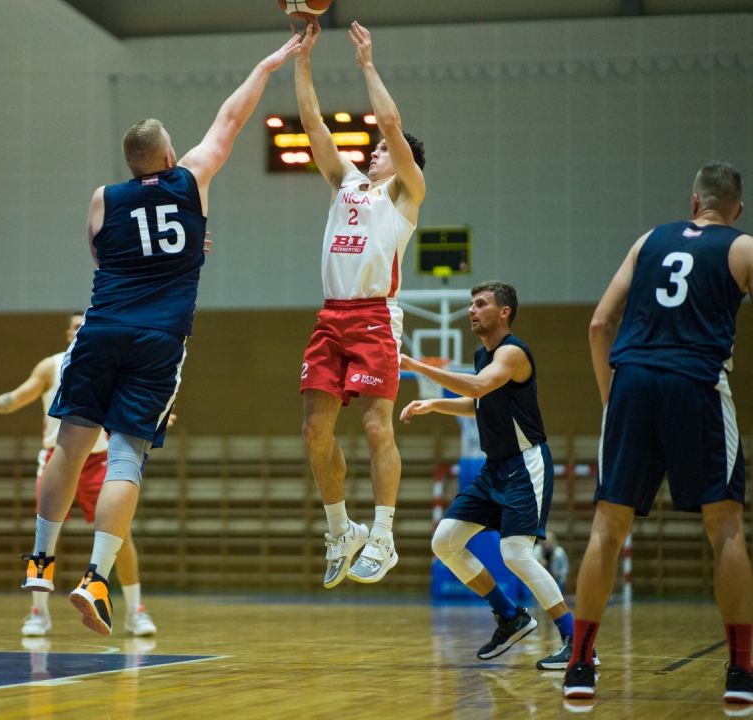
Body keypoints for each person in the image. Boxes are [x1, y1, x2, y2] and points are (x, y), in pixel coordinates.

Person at [21, 33, 302, 636]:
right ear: (170, 153)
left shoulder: (103, 198)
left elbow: (101, 260)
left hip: (101, 330)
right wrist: (267, 63)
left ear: (131, 164)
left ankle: (40, 561)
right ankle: (96, 578)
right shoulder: (192, 178)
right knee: (125, 456)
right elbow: (232, 117)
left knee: (69, 444)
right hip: (158, 338)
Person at [563, 162, 753, 703]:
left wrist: (611, 398)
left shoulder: (649, 240)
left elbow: (599, 324)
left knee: (608, 526)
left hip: (632, 382)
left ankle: (580, 666)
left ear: (694, 202)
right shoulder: (743, 247)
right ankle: (741, 674)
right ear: (736, 209)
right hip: (696, 382)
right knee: (726, 527)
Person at [400, 282, 595, 670]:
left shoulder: (513, 353)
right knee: (445, 541)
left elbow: (478, 386)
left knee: (515, 554)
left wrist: (417, 366)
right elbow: (479, 402)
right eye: (471, 305)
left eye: (480, 304)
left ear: (504, 311)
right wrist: (433, 404)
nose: (471, 310)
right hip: (495, 469)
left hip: (525, 463)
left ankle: (577, 644)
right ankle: (510, 616)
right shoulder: (483, 356)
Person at [294, 22, 426, 588]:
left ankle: (385, 537)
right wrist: (303, 60)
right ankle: (341, 530)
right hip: (331, 315)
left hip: (374, 316)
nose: (374, 151)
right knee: (313, 431)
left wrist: (367, 65)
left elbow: (391, 124)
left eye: (383, 150)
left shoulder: (408, 194)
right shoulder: (345, 183)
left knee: (376, 427)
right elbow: (312, 124)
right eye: (373, 149)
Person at [0, 312, 157, 638]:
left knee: (120, 535)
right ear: (67, 334)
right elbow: (21, 395)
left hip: (100, 460)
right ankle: (38, 613)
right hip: (58, 457)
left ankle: (135, 611)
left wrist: (155, 416)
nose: (81, 328)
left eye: (86, 323)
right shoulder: (51, 366)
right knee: (45, 534)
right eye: (75, 325)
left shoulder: (113, 363)